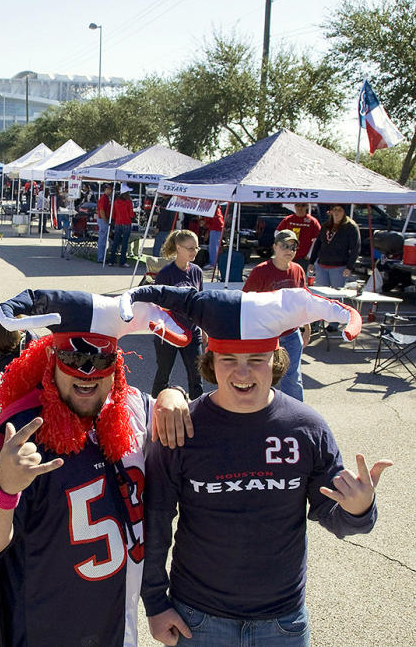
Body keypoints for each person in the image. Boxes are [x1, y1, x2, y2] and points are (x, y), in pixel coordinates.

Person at [120, 285, 386, 647]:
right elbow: (155, 521)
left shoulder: (306, 428)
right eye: (228, 358)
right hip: (197, 619)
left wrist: (359, 510)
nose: (242, 372)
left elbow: (334, 514)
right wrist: (155, 603)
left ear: (275, 360)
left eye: (257, 358)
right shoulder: (181, 428)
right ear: (210, 362)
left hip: (283, 623)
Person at [0, 288, 195, 646]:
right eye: (73, 358)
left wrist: (174, 393)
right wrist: (6, 488)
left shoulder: (134, 407)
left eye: (101, 361)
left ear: (117, 365)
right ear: (50, 360)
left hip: (119, 627)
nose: (87, 373)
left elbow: (195, 423)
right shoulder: (22, 432)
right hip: (46, 630)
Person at [244, 229, 309, 401]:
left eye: (293, 247)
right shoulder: (261, 271)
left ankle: (296, 417)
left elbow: (303, 301)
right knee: (263, 377)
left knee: (293, 378)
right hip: (267, 334)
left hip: (292, 333)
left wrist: (307, 327)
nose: (289, 250)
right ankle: (260, 413)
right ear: (275, 247)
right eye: (285, 246)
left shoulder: (298, 270)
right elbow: (246, 302)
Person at [151, 230, 204, 400]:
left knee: (197, 377)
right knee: (163, 375)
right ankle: (155, 410)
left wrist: (204, 330)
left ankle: (198, 411)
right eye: (190, 248)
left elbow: (200, 302)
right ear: (178, 248)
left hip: (192, 331)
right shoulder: (166, 274)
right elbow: (156, 306)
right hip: (169, 332)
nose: (194, 252)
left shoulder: (197, 271)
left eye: (196, 247)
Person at [309, 203, 361, 289]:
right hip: (322, 266)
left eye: (340, 210)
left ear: (344, 212)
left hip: (339, 267)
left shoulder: (351, 227)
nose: (336, 212)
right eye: (335, 210)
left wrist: (349, 267)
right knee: (321, 296)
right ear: (331, 211)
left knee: (336, 296)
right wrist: (312, 262)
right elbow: (318, 244)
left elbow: (355, 249)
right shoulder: (326, 225)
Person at [276, 202, 321, 271]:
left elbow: (318, 239)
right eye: (298, 205)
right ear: (294, 206)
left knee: (301, 279)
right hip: (288, 255)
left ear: (307, 207)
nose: (300, 208)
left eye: (303, 205)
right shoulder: (288, 219)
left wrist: (310, 254)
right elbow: (277, 232)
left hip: (303, 258)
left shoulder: (312, 221)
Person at [107, 184, 135, 267]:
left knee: (115, 242)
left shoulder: (116, 202)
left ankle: (111, 261)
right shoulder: (129, 202)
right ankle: (122, 261)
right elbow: (131, 214)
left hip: (118, 223)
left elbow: (114, 214)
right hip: (126, 223)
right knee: (125, 243)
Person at [97, 183, 114, 263]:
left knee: (104, 239)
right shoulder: (103, 198)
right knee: (102, 240)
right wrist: (105, 220)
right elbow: (101, 210)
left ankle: (102, 257)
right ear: (106, 189)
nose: (110, 191)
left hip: (104, 219)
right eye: (109, 189)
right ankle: (100, 258)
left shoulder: (107, 198)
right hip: (103, 220)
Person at [205, 203, 225, 269]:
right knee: (214, 246)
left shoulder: (212, 207)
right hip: (217, 227)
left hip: (215, 227)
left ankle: (213, 264)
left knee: (213, 246)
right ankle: (214, 263)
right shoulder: (216, 208)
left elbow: (209, 219)